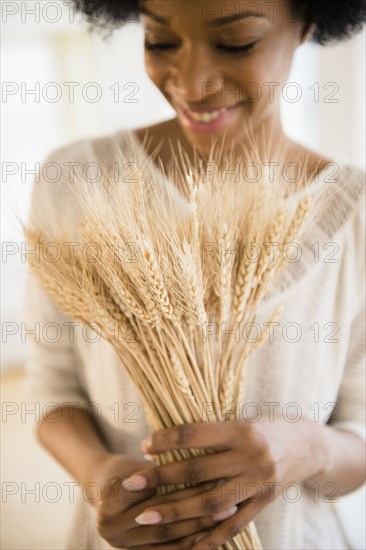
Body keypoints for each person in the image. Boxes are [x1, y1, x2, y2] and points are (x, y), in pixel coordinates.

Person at [24, 1, 366, 549]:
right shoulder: (74, 181)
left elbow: (361, 437)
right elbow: (52, 392)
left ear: (308, 22)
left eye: (236, 43)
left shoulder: (357, 212)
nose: (190, 82)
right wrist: (102, 478)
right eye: (160, 42)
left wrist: (310, 448)